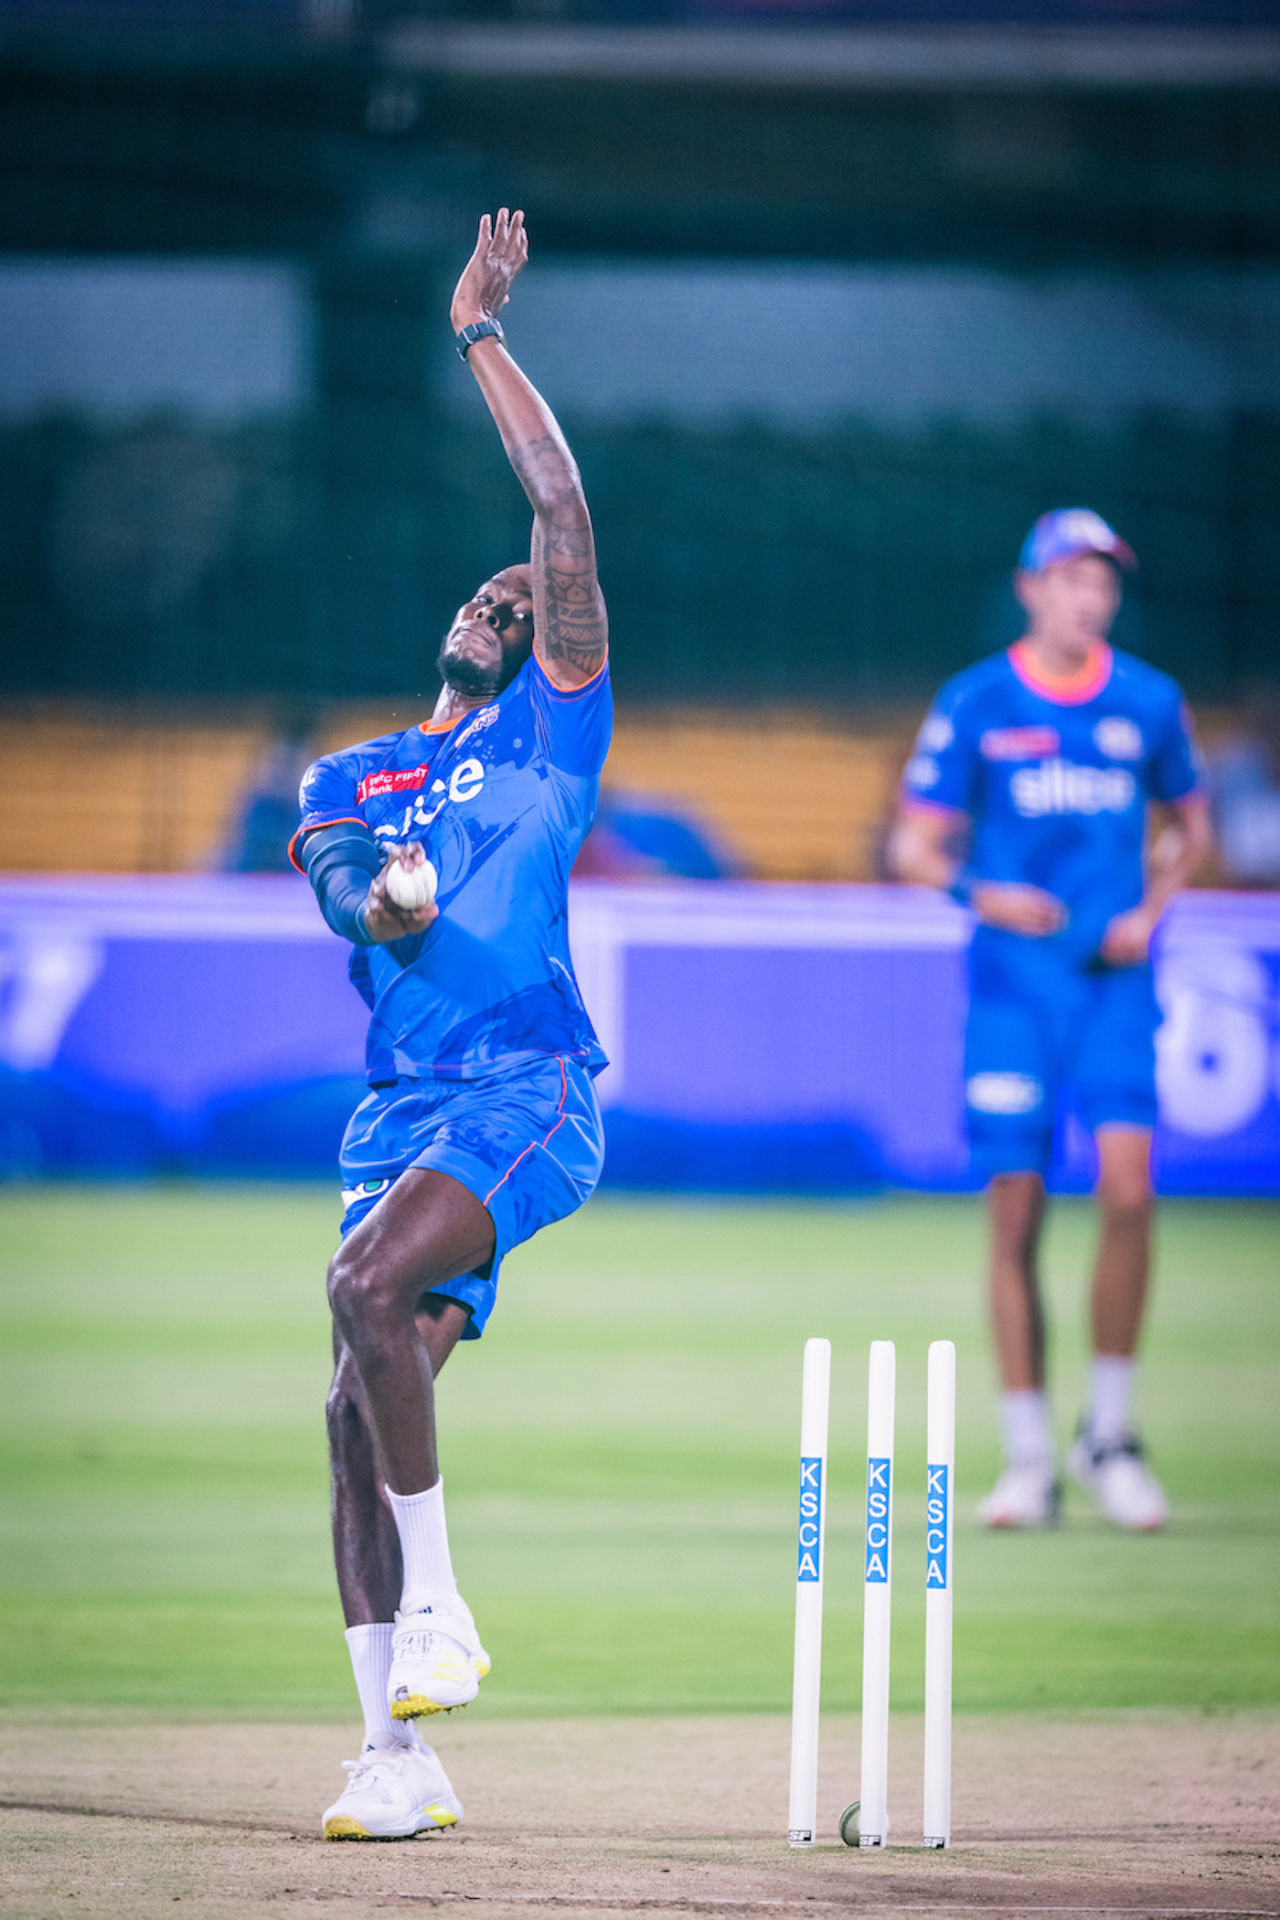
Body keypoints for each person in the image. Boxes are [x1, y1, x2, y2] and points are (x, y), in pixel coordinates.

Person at [288, 210, 611, 1838]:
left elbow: (557, 506)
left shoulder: (559, 736)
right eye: (491, 612)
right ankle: (391, 1757)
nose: (513, 603)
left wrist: (479, 334)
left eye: (527, 607)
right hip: (396, 1105)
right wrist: (438, 699)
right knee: (356, 1388)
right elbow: (362, 896)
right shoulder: (369, 773)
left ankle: (445, 1607)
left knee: (360, 1282)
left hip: (531, 1090)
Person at [891, 508, 1211, 1532]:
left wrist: (1150, 911)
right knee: (1014, 1212)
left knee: (1127, 1194)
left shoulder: (1148, 703)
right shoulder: (976, 702)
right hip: (1010, 993)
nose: (1090, 596)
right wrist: (978, 894)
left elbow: (1190, 826)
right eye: (1072, 578)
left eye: (1103, 582)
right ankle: (1029, 1456)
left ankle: (1107, 1435)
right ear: (1030, 587)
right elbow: (914, 848)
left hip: (1111, 987)